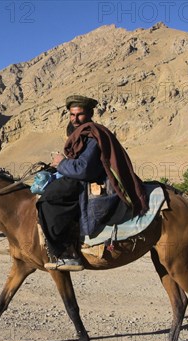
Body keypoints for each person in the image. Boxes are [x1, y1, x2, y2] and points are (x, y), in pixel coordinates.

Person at [37, 95, 148, 271]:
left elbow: (83, 169)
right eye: (72, 115)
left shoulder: (92, 136)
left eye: (79, 115)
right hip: (79, 176)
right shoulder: (83, 133)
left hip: (89, 179)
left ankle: (67, 253)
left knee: (49, 199)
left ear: (89, 113)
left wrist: (61, 163)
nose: (75, 119)